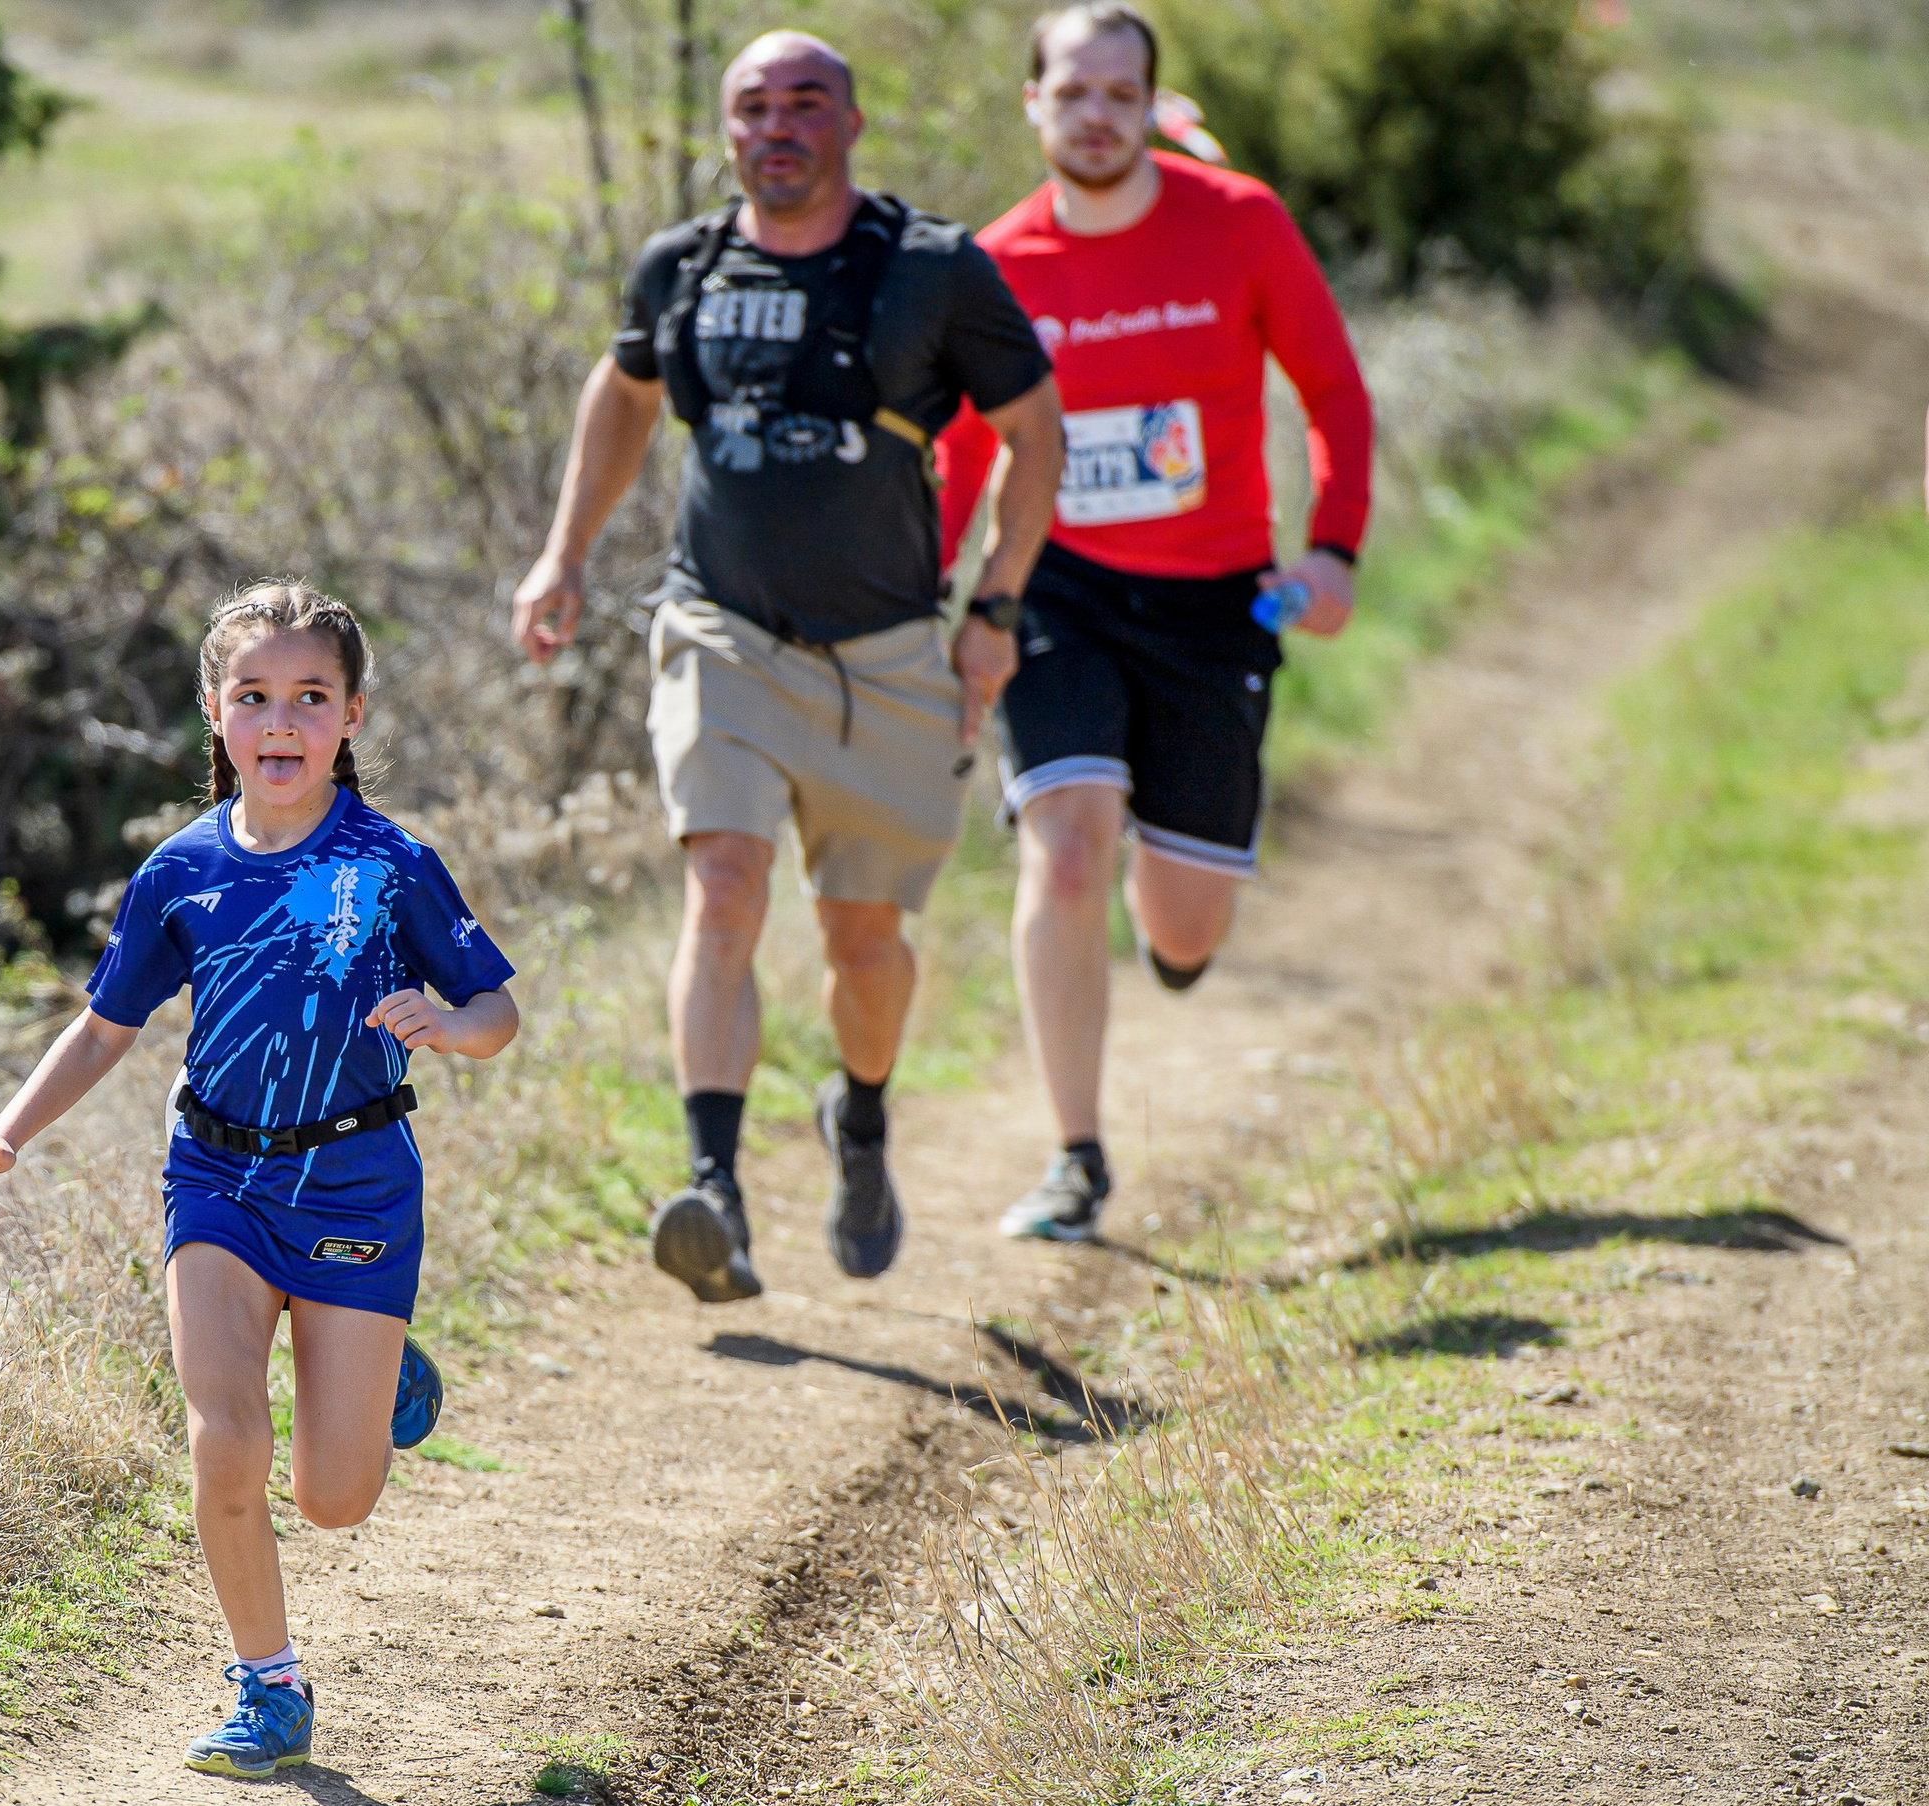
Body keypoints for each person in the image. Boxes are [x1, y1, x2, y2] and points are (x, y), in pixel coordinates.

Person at [0, 581, 520, 1779]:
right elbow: (101, 1028)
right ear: (214, 712)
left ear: (350, 715)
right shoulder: (178, 872)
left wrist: (451, 1027)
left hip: (356, 1187)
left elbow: (497, 1007)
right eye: (253, 698)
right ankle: (269, 1685)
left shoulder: (394, 866)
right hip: (218, 1180)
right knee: (224, 1439)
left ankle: (383, 1359)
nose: (279, 721)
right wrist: (6, 1134)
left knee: (336, 1498)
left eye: (308, 697)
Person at [513, 30, 1063, 1301]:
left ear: (851, 124)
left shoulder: (934, 271)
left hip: (887, 655)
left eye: (804, 102)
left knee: (864, 951)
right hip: (723, 635)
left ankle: (859, 1115)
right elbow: (623, 389)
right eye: (752, 106)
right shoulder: (682, 267)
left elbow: (1035, 433)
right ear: (727, 134)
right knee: (723, 881)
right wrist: (562, 556)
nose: (777, 125)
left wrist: (995, 608)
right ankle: (715, 1193)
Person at [937, 2, 1373, 1243]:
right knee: (1065, 845)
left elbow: (1332, 388)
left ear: (1148, 105)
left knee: (1185, 923)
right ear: (1034, 104)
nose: (1095, 115)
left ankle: (1167, 912)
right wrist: (938, 603)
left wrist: (1331, 548)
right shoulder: (997, 265)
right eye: (1072, 92)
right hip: (1055, 589)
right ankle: (1075, 1157)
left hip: (1213, 604)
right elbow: (963, 451)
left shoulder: (1236, 224)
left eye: (1120, 94)